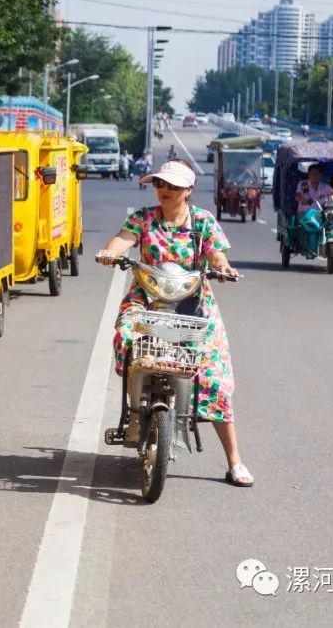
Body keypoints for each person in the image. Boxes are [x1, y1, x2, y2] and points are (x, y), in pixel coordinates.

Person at [95, 161, 253, 487]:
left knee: (215, 379)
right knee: (128, 340)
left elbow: (217, 256)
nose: (165, 191)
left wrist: (224, 269)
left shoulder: (203, 222)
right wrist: (109, 253)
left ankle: (234, 460)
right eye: (160, 184)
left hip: (193, 303)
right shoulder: (143, 217)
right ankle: (137, 415)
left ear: (188, 191)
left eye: (174, 186)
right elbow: (122, 240)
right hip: (147, 298)